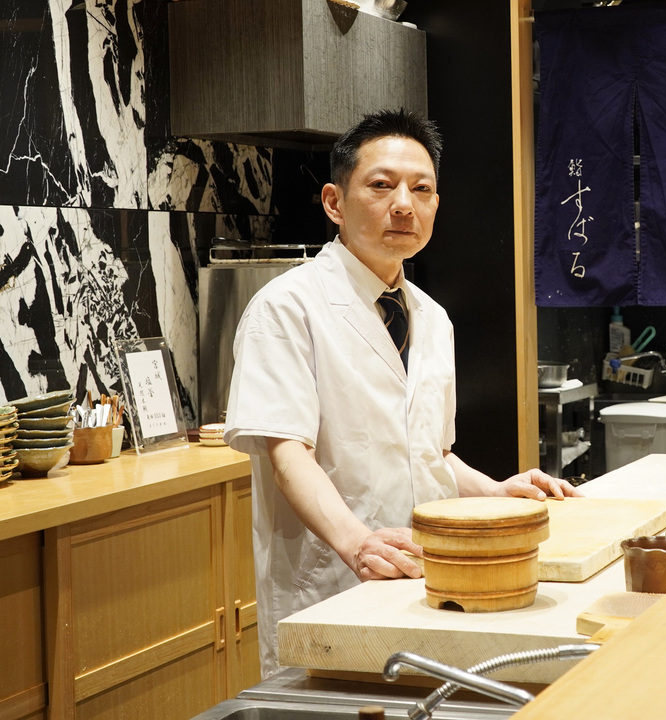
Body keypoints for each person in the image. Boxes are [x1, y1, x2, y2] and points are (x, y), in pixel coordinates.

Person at [223, 108, 581, 678]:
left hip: (428, 580)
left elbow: (431, 454)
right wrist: (358, 543)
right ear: (334, 202)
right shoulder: (285, 308)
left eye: (422, 189)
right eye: (381, 185)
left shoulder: (433, 318)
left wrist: (495, 492)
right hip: (332, 585)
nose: (404, 204)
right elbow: (288, 455)